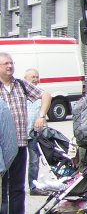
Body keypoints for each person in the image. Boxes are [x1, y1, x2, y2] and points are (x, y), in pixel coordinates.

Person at [0, 53, 51, 214]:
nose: (9, 66)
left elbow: (46, 95)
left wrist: (42, 116)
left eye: (11, 63)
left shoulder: (21, 85)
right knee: (1, 183)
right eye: (5, 64)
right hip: (0, 146)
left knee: (18, 183)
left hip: (20, 143)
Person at [24, 68, 49, 197]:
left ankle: (33, 186)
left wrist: (43, 117)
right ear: (26, 79)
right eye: (32, 77)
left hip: (34, 134)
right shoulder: (21, 92)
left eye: (37, 76)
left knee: (34, 161)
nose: (35, 79)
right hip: (20, 134)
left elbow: (47, 97)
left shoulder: (40, 94)